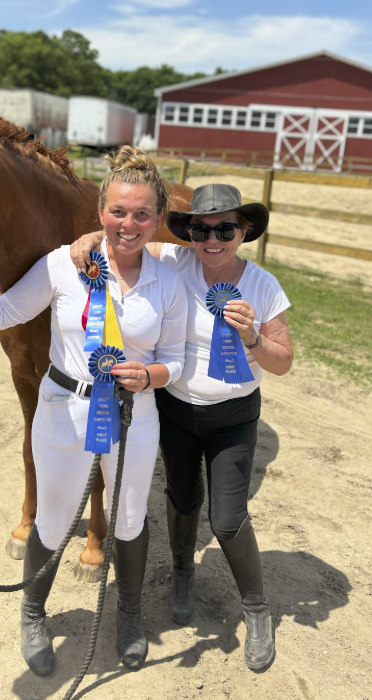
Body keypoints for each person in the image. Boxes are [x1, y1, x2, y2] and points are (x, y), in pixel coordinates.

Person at [0, 146, 188, 675]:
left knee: (129, 516)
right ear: (100, 209)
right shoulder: (63, 263)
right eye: (119, 212)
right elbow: (2, 312)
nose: (129, 224)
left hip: (134, 413)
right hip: (63, 410)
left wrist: (151, 375)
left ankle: (128, 614)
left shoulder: (169, 275)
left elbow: (177, 359)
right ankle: (32, 613)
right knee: (55, 518)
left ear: (157, 219)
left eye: (142, 215)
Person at [70, 183, 293, 671]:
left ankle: (257, 609)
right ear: (189, 232)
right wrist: (88, 237)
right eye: (202, 228)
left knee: (228, 518)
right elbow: (125, 234)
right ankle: (183, 570)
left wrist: (253, 335)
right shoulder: (173, 259)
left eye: (225, 228)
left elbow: (283, 362)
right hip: (176, 411)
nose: (212, 238)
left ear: (244, 231)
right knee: (182, 497)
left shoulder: (263, 285)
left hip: (233, 418)